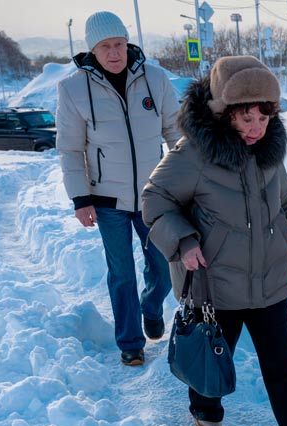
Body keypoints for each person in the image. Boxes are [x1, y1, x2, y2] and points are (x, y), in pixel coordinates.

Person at [141, 56, 287, 426]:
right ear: (223, 112)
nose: (256, 128)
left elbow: (285, 198)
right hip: (216, 284)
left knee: (283, 368)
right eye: (247, 118)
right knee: (212, 354)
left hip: (269, 282)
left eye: (264, 118)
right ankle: (205, 407)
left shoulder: (268, 152)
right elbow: (154, 200)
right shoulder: (193, 154)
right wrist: (184, 241)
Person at [56, 11, 181, 366]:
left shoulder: (154, 79)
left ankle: (151, 307)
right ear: (92, 50)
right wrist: (80, 199)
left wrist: (187, 181)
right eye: (105, 46)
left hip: (154, 196)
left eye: (119, 44)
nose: (114, 53)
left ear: (128, 44)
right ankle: (130, 342)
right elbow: (70, 149)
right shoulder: (73, 89)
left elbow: (176, 132)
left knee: (163, 266)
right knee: (122, 272)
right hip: (106, 200)